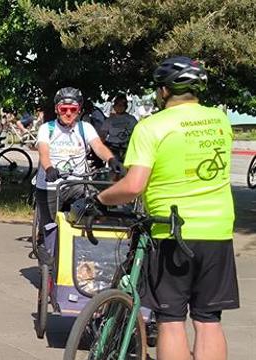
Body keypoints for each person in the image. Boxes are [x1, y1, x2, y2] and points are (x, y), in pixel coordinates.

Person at [88, 56, 238, 360]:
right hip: (218, 230)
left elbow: (133, 185)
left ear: (164, 91)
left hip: (171, 231)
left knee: (171, 321)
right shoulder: (220, 121)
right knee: (209, 321)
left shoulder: (151, 126)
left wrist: (99, 200)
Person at [33, 87, 121, 238]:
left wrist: (111, 160)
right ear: (56, 109)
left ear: (79, 110)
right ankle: (45, 250)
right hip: (50, 184)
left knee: (92, 204)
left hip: (76, 183)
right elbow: (44, 153)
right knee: (48, 228)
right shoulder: (47, 129)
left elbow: (98, 146)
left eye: (73, 109)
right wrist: (49, 169)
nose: (68, 113)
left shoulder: (85, 128)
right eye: (64, 109)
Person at [100, 94, 138, 161]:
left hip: (127, 149)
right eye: (118, 104)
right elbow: (103, 134)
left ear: (126, 106)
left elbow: (138, 134)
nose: (120, 107)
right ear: (114, 106)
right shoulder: (109, 120)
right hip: (113, 148)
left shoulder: (131, 119)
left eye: (122, 105)